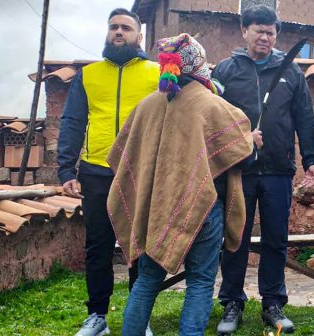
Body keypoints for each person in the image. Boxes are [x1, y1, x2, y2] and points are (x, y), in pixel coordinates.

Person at [108, 33, 254, 336]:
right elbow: (242, 153)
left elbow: (122, 157)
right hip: (202, 207)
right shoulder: (212, 105)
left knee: (147, 281)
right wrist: (253, 141)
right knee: (200, 281)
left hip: (155, 209)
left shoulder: (146, 106)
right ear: (199, 64)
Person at [212, 5, 314, 334]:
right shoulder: (227, 71)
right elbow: (213, 120)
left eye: (270, 32)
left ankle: (272, 303)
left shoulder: (291, 72)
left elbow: (304, 117)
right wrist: (240, 141)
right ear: (244, 31)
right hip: (237, 171)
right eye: (259, 30)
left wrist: (310, 160)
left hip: (278, 170)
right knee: (235, 238)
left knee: (276, 239)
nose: (265, 37)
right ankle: (232, 302)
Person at [57, 8, 159, 336]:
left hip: (139, 171)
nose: (118, 32)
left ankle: (138, 317)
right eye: (113, 26)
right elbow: (72, 122)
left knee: (139, 247)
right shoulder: (89, 75)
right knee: (98, 246)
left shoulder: (157, 74)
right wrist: (66, 170)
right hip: (96, 171)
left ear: (139, 36)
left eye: (126, 28)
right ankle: (97, 316)